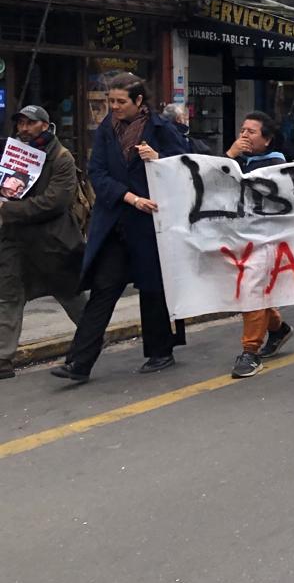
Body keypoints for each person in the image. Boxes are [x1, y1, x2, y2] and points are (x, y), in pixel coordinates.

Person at [52, 74, 189, 383]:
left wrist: (159, 159)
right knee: (103, 289)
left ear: (139, 101)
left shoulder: (161, 128)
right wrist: (131, 198)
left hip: (151, 225)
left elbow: (184, 164)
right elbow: (96, 172)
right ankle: (79, 363)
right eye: (109, 101)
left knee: (154, 290)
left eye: (119, 102)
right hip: (115, 222)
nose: (113, 107)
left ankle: (161, 351)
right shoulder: (106, 130)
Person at [0, 106, 87, 380]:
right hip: (14, 240)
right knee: (8, 295)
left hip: (52, 242)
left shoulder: (61, 158)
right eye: (21, 123)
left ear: (46, 126)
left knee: (70, 295)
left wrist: (7, 210)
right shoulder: (11, 155)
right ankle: (3, 358)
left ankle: (90, 341)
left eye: (31, 123)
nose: (24, 129)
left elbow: (55, 201)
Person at [225, 112, 294, 378]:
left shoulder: (275, 164)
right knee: (253, 290)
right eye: (242, 130)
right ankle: (277, 328)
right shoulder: (236, 160)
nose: (244, 135)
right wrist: (230, 155)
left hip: (266, 239)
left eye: (251, 132)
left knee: (251, 290)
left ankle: (250, 352)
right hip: (238, 238)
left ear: (267, 139)